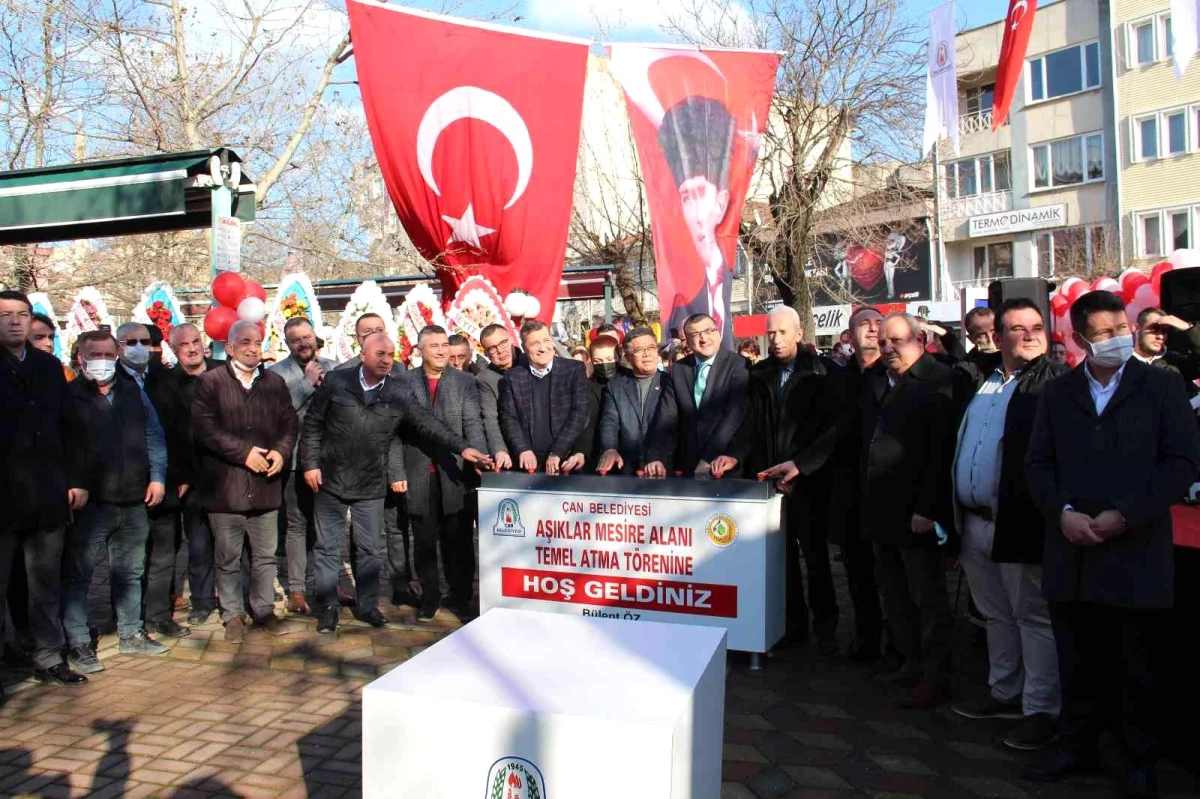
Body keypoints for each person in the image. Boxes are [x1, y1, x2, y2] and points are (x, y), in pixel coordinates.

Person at [1023, 290, 1200, 797]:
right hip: (1072, 550)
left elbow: (1182, 462)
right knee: (1077, 661)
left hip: (1135, 550)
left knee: (1135, 666)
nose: (1117, 338)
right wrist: (1062, 513)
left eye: (1120, 327)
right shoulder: (1058, 393)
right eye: (1102, 333)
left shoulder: (1160, 387)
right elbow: (1037, 464)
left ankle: (1139, 758)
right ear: (1078, 339)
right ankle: (1075, 745)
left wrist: (1126, 513)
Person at [302, 331, 488, 631]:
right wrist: (310, 464)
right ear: (363, 355)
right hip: (331, 479)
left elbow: (428, 424)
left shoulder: (398, 391)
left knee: (370, 549)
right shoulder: (337, 382)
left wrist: (463, 448)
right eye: (379, 355)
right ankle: (327, 608)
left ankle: (367, 606)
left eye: (390, 355)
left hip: (371, 484)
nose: (386, 360)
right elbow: (312, 424)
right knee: (327, 547)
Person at [949, 299, 1067, 751]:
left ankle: (1040, 710)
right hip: (973, 520)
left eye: (1038, 326)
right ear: (997, 338)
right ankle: (1005, 690)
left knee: (1032, 616)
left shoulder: (1053, 384)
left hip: (1019, 522)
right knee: (995, 613)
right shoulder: (983, 382)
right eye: (1018, 329)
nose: (1031, 334)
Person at [712, 306, 840, 653]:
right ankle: (790, 625)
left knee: (815, 559)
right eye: (770, 333)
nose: (776, 339)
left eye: (783, 333)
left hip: (808, 480)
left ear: (800, 333)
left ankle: (826, 629)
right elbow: (751, 424)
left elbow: (829, 431)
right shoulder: (761, 374)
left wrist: (799, 465)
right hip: (770, 481)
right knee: (779, 560)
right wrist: (736, 455)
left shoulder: (823, 372)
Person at [861, 313, 956, 709]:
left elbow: (941, 452)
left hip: (917, 512)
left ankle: (936, 676)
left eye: (896, 342)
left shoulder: (938, 380)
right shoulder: (881, 380)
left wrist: (929, 508)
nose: (888, 350)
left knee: (928, 598)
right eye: (882, 343)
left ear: (919, 339)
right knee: (896, 594)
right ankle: (911, 661)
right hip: (882, 510)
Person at [62, 329, 170, 672]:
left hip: (132, 497)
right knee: (80, 574)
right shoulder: (67, 397)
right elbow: (57, 447)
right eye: (96, 355)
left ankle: (131, 633)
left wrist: (157, 477)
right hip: (89, 503)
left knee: (130, 571)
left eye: (110, 355)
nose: (104, 362)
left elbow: (154, 435)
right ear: (80, 358)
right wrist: (71, 483)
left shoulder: (132, 392)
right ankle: (78, 642)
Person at [0, 291, 87, 689]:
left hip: (48, 495)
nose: (15, 322)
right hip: (3, 498)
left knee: (45, 583)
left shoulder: (50, 367)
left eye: (21, 314)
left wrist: (77, 480)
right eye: (6, 315)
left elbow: (71, 429)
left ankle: (48, 656)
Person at [191, 321, 298, 643]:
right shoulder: (210, 383)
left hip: (266, 486)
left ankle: (263, 610)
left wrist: (281, 451)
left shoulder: (274, 383)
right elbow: (204, 429)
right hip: (226, 488)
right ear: (231, 346)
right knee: (228, 558)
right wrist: (243, 453)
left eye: (258, 342)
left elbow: (289, 423)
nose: (253, 348)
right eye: (245, 342)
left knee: (265, 555)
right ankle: (232, 613)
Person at [396, 327, 492, 621]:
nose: (441, 351)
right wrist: (395, 471)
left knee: (459, 539)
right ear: (420, 350)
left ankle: (461, 595)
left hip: (456, 472)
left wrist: (477, 454)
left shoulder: (464, 381)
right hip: (418, 472)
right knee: (423, 541)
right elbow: (394, 435)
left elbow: (472, 422)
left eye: (444, 346)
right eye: (434, 346)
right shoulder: (403, 383)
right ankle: (430, 596)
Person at [114, 322, 193, 640]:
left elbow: (182, 428)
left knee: (164, 552)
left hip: (167, 481)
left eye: (143, 341)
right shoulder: (107, 380)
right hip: (124, 484)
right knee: (128, 558)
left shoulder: (166, 378)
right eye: (129, 341)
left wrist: (184, 474)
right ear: (119, 344)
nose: (137, 346)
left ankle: (158, 615)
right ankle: (122, 616)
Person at [269, 317, 337, 614]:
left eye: (307, 336)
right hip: (295, 462)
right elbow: (275, 415)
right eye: (296, 339)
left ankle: (329, 587)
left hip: (331, 462)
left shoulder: (334, 368)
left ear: (315, 336)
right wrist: (306, 383)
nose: (303, 343)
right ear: (287, 344)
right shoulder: (274, 374)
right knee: (296, 526)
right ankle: (297, 589)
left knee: (329, 528)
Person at [659, 95, 736, 350]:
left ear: (722, 203)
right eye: (686, 198)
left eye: (701, 193)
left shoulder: (728, 273)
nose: (696, 212)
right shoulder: (679, 296)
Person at [645, 313, 749, 478]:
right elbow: (666, 417)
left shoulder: (739, 365)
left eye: (708, 331)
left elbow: (734, 417)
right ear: (687, 340)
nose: (703, 338)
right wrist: (656, 456)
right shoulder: (679, 370)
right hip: (688, 466)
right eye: (695, 334)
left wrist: (709, 458)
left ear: (718, 333)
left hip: (725, 465)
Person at [167, 323, 220, 626]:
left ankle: (235, 599)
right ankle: (201, 600)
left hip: (228, 473)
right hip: (191, 477)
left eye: (196, 341)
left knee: (233, 545)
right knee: (198, 544)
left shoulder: (224, 372)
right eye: (184, 344)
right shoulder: (166, 383)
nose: (192, 348)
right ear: (174, 350)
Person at [498, 320, 590, 475]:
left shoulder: (574, 370)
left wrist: (557, 452)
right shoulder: (512, 378)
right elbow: (509, 418)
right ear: (524, 348)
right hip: (528, 464)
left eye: (546, 340)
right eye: (535, 343)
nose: (542, 348)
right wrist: (523, 449)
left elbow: (579, 413)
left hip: (565, 460)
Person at [596, 327, 663, 476]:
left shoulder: (670, 382)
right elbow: (609, 421)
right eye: (639, 349)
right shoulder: (615, 387)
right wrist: (610, 448)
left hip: (664, 467)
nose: (647, 354)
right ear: (627, 356)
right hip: (627, 468)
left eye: (651, 347)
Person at [1132, 307, 1200, 392]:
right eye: (1154, 329)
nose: (1160, 336)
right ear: (1136, 328)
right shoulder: (1122, 363)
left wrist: (1188, 328)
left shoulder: (1174, 361)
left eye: (1164, 331)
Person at [29, 312, 74, 380]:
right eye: (39, 337)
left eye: (51, 337)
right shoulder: (10, 371)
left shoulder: (64, 373)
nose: (49, 344)